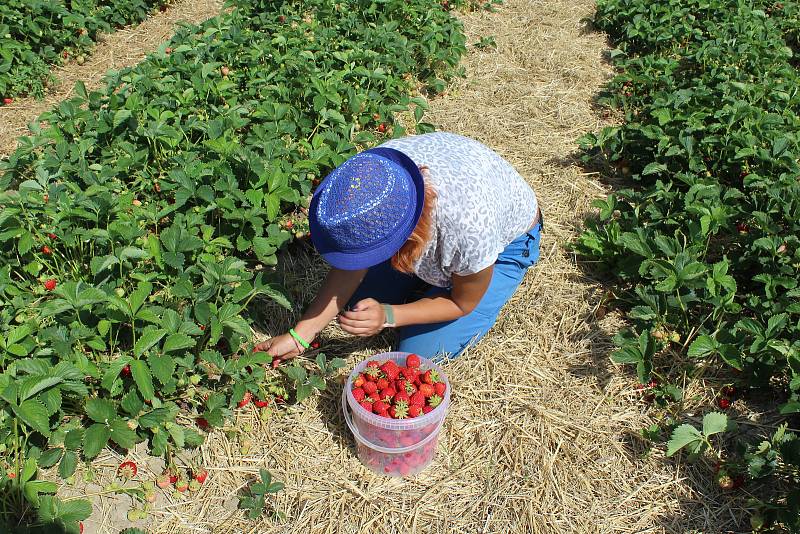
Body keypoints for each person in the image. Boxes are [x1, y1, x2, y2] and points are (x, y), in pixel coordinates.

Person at [255, 132, 542, 364]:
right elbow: (351, 265)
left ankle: (449, 285)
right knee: (357, 306)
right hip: (458, 193)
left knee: (416, 354)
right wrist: (300, 335)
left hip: (505, 245)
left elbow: (462, 302)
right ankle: (421, 287)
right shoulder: (374, 177)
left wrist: (389, 316)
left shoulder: (468, 230)